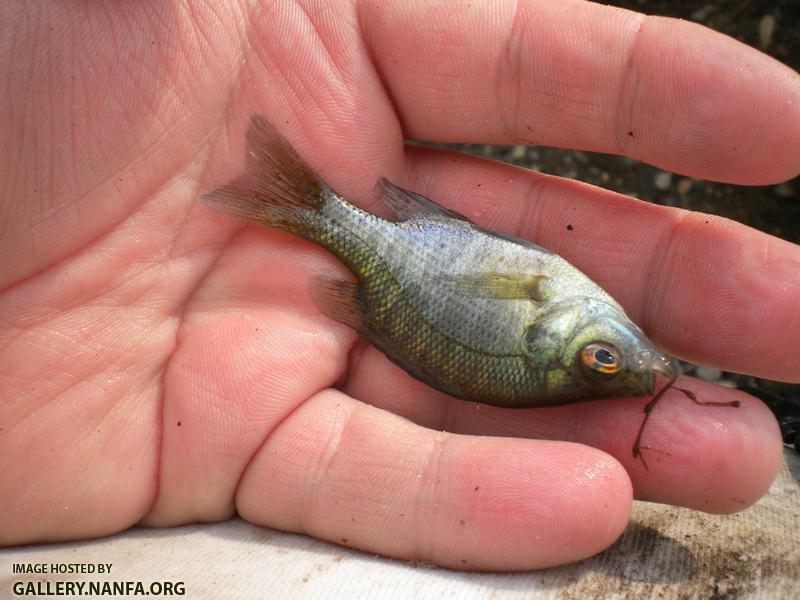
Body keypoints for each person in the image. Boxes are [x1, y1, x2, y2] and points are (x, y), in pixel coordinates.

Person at [1, 0, 798, 571]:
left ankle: (305, 208)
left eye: (606, 367)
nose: (625, 362)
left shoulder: (556, 315)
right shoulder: (566, 311)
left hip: (405, 248)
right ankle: (308, 208)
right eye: (608, 361)